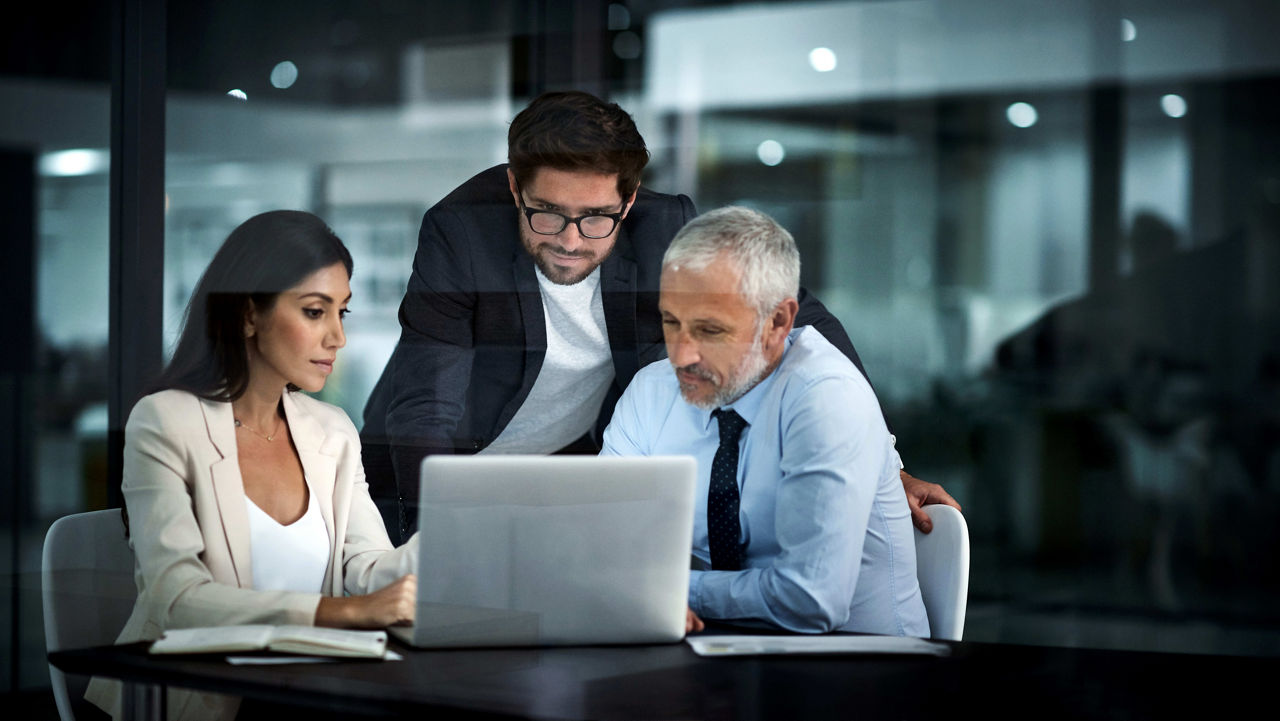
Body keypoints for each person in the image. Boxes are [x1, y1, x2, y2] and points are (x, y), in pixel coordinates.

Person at [361, 90, 957, 543]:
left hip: (563, 476)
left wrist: (888, 466)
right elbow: (426, 408)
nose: (570, 241)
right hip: (433, 479)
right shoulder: (460, 230)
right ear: (516, 186)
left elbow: (800, 321)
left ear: (629, 197)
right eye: (546, 213)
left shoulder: (665, 228)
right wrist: (431, 541)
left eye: (596, 217)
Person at [86, 211, 418, 721]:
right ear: (247, 315)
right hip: (185, 699)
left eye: (341, 313)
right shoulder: (165, 420)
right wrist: (341, 613)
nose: (337, 338)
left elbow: (366, 567)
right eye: (314, 311)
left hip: (301, 692)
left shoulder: (332, 430)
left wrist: (449, 541)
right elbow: (176, 598)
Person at [602, 207, 930, 636]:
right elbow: (601, 550)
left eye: (710, 330)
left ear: (778, 322)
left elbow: (811, 601)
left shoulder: (826, 396)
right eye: (671, 322)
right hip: (719, 660)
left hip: (861, 669)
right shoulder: (652, 391)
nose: (681, 355)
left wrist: (668, 590)